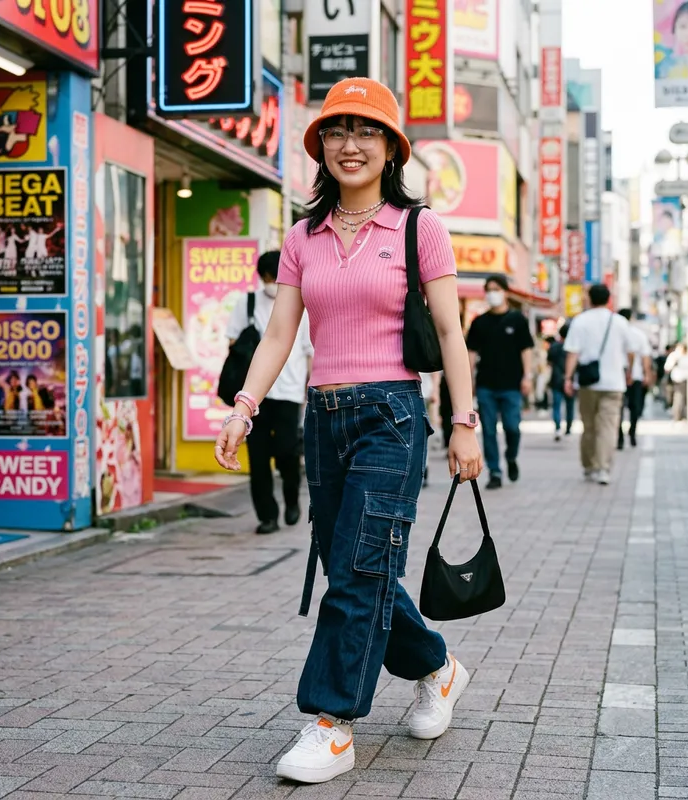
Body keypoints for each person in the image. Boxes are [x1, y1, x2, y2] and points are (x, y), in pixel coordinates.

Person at [214, 78, 482, 784]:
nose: (350, 145)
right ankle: (438, 665)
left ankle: (331, 723)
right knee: (353, 566)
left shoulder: (420, 227)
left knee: (360, 568)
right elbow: (279, 333)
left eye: (367, 132)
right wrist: (243, 406)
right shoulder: (303, 237)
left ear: (391, 148)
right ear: (321, 146)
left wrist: (464, 423)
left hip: (392, 416)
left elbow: (452, 332)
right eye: (337, 131)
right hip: (322, 418)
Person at [225, 250, 313, 535]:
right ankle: (267, 516)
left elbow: (308, 351)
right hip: (255, 396)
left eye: (276, 277)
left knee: (288, 451)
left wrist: (308, 389)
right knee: (258, 457)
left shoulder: (302, 304)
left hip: (289, 392)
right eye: (268, 277)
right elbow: (233, 341)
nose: (272, 283)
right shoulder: (247, 302)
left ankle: (291, 499)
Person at [563, 284, 635, 486]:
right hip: (614, 383)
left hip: (588, 383)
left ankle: (588, 467)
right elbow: (630, 351)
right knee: (608, 427)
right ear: (609, 299)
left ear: (589, 298)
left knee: (589, 426)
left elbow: (573, 352)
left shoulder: (580, 321)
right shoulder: (620, 322)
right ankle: (603, 469)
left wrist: (568, 378)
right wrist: (628, 371)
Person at [466, 275, 534, 489]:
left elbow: (526, 350)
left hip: (512, 385)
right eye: (489, 289)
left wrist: (527, 376)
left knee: (513, 427)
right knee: (488, 430)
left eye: (496, 289)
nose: (492, 293)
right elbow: (470, 353)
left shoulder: (518, 320)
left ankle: (511, 457)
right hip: (486, 384)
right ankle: (494, 471)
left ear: (505, 292)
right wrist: (468, 381)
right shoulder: (479, 322)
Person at [617, 309, 653, 449]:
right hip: (636, 375)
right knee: (635, 407)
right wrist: (646, 374)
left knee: (618, 408)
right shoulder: (638, 334)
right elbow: (645, 357)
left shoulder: (615, 334)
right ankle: (632, 434)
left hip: (618, 375)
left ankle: (619, 437)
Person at [547, 323, 574, 441]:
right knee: (569, 405)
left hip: (556, 379)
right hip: (570, 379)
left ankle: (558, 427)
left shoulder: (554, 347)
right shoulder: (573, 347)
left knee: (556, 405)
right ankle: (568, 427)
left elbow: (549, 363)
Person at [665, 342, 688, 421]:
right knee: (679, 398)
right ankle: (677, 416)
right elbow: (667, 368)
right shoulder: (675, 356)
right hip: (678, 379)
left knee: (685, 398)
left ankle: (684, 415)